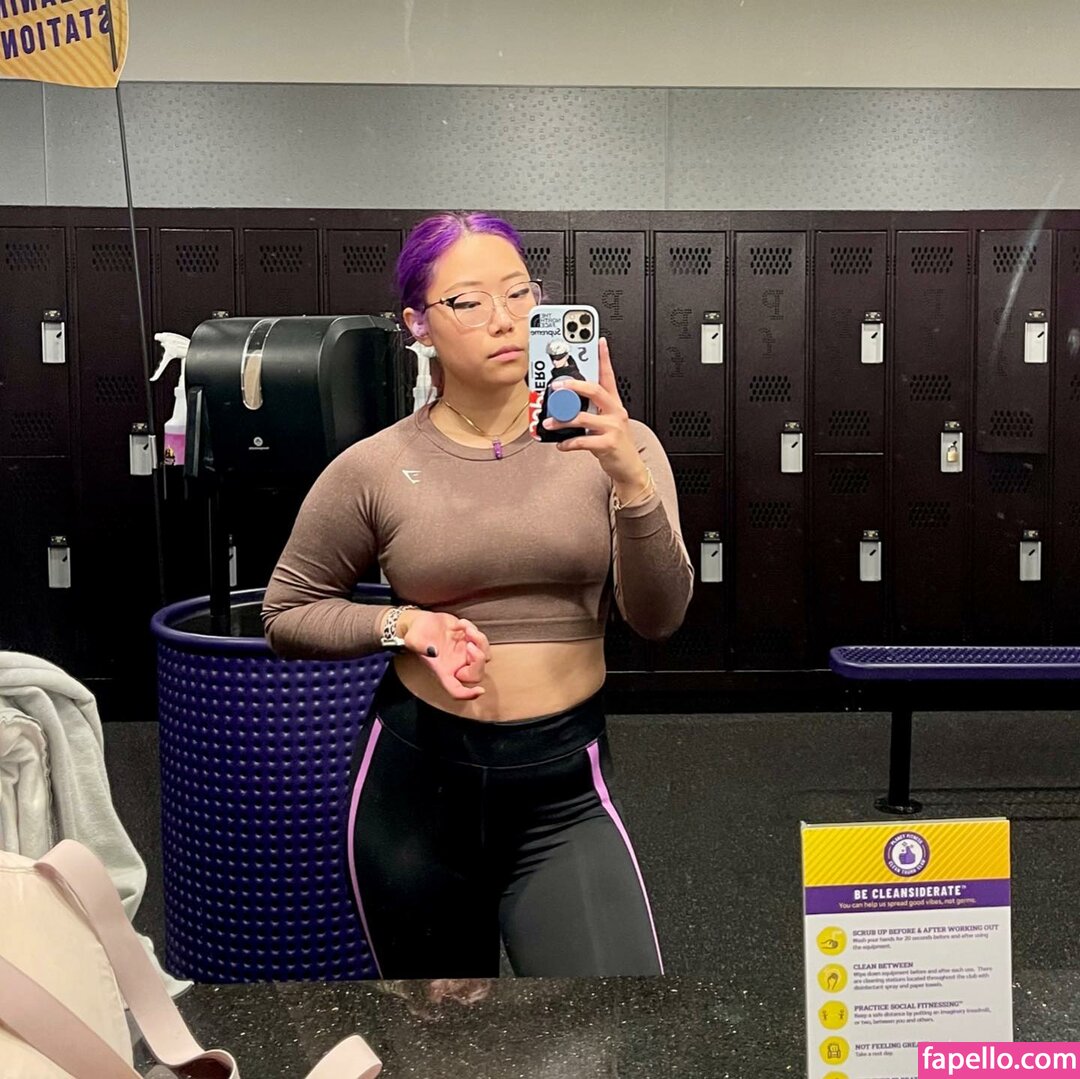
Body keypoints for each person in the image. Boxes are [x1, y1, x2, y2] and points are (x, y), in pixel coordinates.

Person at [262, 211, 694, 979]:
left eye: (520, 292)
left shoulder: (622, 446)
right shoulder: (376, 467)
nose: (504, 319)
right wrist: (405, 625)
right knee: (439, 1036)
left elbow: (660, 616)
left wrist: (631, 482)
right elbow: (286, 611)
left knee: (605, 1022)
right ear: (417, 324)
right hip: (414, 795)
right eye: (468, 301)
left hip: (563, 791)